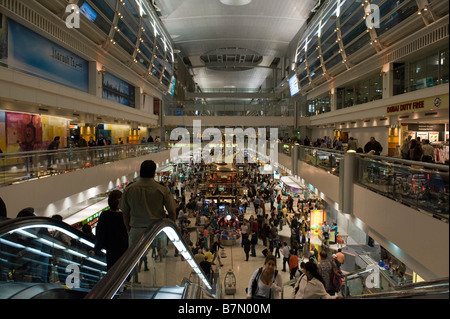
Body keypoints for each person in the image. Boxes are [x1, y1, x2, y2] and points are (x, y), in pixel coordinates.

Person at [120, 160, 177, 246]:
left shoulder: (129, 189)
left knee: (135, 256)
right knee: (159, 255)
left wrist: (129, 229)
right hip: (157, 229)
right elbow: (172, 212)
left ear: (140, 171)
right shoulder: (162, 189)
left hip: (136, 230)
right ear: (154, 173)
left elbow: (125, 212)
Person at [94, 190, 128, 270]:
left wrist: (98, 247)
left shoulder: (104, 215)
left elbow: (100, 232)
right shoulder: (124, 215)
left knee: (112, 270)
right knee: (124, 270)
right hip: (124, 249)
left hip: (110, 249)